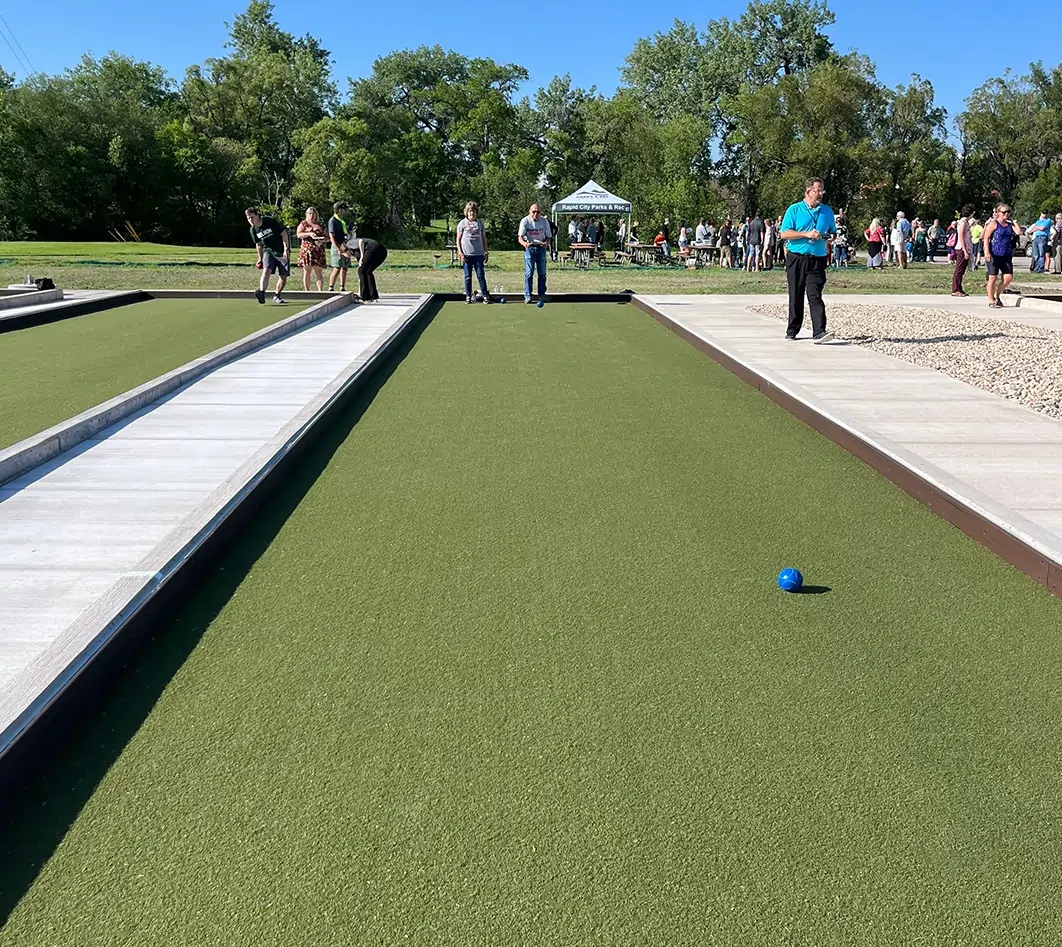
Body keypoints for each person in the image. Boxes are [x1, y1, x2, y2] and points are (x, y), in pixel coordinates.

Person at [779, 177, 836, 343]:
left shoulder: (827, 212)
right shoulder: (794, 210)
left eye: (822, 191)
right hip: (796, 258)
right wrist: (806, 234)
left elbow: (833, 233)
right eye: (817, 191)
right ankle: (792, 330)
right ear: (808, 192)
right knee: (796, 294)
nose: (820, 194)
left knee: (815, 294)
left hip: (817, 259)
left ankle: (819, 331)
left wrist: (827, 237)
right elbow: (784, 234)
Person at [245, 207, 290, 304]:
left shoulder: (269, 221)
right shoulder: (253, 230)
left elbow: (284, 233)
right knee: (266, 270)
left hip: (280, 250)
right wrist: (260, 259)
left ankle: (277, 295)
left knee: (283, 276)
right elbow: (258, 245)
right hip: (268, 251)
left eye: (252, 217)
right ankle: (261, 293)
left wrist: (286, 249)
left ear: (257, 215)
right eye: (248, 218)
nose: (250, 220)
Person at [982, 203, 1022, 308]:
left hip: (1006, 255)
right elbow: (986, 238)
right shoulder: (994, 224)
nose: (1006, 214)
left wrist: (1014, 222)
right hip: (994, 254)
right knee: (992, 278)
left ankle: (997, 294)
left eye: (1008, 212)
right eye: (1004, 212)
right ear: (998, 213)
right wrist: (986, 252)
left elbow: (1018, 232)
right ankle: (991, 300)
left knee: (1008, 277)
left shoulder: (1009, 225)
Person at [517, 203, 552, 304]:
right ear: (530, 212)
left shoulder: (544, 221)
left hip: (541, 248)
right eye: (533, 212)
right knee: (529, 273)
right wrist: (524, 244)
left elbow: (548, 236)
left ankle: (542, 295)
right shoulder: (525, 221)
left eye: (538, 212)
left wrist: (546, 243)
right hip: (529, 248)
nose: (535, 214)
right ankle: (528, 295)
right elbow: (520, 237)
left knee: (542, 273)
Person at [457, 200, 490, 304]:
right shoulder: (462, 224)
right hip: (466, 255)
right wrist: (460, 252)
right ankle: (468, 296)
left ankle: (485, 295)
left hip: (479, 254)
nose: (472, 213)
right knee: (467, 276)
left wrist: (486, 252)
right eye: (470, 211)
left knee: (480, 275)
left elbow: (484, 238)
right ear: (467, 212)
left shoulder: (480, 224)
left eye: (474, 211)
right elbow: (458, 239)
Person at [295, 206, 327, 292]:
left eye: (313, 213)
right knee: (307, 271)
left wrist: (323, 240)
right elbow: (299, 234)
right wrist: (309, 234)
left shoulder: (321, 225)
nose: (312, 215)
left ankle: (320, 291)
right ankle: (307, 290)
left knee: (319, 272)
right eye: (310, 213)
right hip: (307, 251)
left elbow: (327, 236)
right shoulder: (303, 224)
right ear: (306, 214)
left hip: (319, 251)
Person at [349, 233, 387, 302]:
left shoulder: (349, 243)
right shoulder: (355, 253)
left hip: (374, 248)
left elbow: (360, 241)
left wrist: (362, 257)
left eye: (341, 252)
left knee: (361, 271)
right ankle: (373, 296)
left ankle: (364, 297)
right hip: (382, 251)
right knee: (367, 272)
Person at [327, 201, 354, 293]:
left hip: (345, 246)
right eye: (344, 209)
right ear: (339, 210)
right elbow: (331, 236)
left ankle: (342, 286)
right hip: (337, 246)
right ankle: (331, 287)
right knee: (337, 266)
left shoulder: (342, 220)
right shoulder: (333, 220)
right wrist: (337, 248)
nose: (345, 211)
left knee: (345, 267)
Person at [951, 204, 975, 297]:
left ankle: (959, 288)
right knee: (959, 270)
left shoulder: (966, 222)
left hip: (966, 248)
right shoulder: (962, 222)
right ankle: (955, 289)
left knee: (962, 270)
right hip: (961, 249)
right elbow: (961, 237)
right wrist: (965, 250)